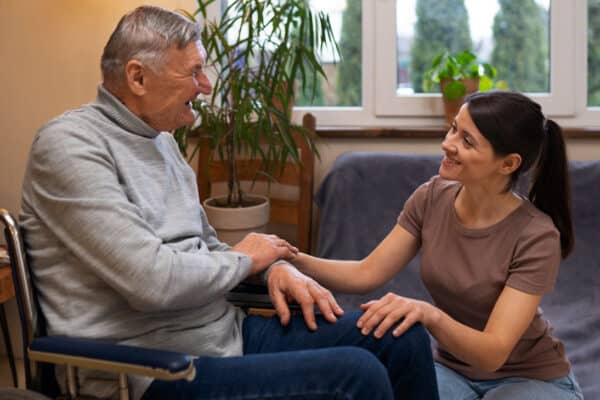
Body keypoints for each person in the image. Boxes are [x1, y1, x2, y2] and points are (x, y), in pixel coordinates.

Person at [19, 6, 438, 400]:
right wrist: (246, 260)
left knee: (401, 336)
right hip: (150, 369)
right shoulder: (70, 147)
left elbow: (205, 251)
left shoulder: (161, 141)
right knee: (356, 375)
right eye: (195, 71)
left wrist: (272, 269)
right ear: (138, 77)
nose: (206, 86)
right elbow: (152, 281)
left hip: (222, 338)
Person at [292, 91, 585, 400]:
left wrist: (429, 314)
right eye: (453, 128)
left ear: (509, 163)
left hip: (530, 377)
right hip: (452, 370)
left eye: (467, 141)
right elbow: (367, 272)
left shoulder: (537, 236)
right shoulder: (431, 197)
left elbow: (493, 352)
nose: (448, 144)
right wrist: (289, 257)